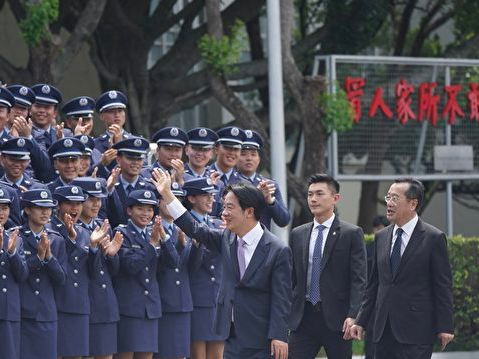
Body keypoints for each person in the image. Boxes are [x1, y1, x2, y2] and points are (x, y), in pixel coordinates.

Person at [151, 168, 292, 359]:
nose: (223, 213)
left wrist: (279, 335)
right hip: (231, 335)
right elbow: (195, 229)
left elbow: (281, 299)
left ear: (249, 211)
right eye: (224, 207)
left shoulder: (278, 250)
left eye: (230, 207)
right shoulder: (227, 238)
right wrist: (167, 195)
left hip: (263, 340)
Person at [349, 178, 455, 359]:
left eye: (395, 198)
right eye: (388, 197)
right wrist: (361, 320)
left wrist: (445, 326)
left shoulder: (433, 238)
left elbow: (442, 285)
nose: (389, 203)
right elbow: (374, 285)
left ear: (413, 203)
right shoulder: (381, 237)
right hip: (382, 330)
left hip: (416, 331)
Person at [288, 174, 367, 359]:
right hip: (303, 318)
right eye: (310, 194)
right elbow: (292, 278)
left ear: (335, 198)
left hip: (338, 320)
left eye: (319, 194)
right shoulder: (298, 234)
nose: (313, 199)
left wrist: (354, 314)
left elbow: (359, 280)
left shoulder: (351, 234)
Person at [72, 177, 123, 359]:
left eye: (99, 199)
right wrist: (93, 248)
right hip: (84, 302)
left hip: (104, 301)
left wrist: (111, 255)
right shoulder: (72, 230)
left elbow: (113, 271)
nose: (96, 204)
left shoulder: (103, 227)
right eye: (91, 199)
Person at [50, 185, 102, 359]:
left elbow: (93, 272)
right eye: (69, 204)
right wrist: (71, 239)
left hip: (79, 303)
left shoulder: (84, 233)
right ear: (58, 205)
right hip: (56, 303)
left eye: (79, 204)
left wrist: (94, 248)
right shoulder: (49, 230)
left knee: (76, 355)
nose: (75, 208)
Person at [113, 189, 164, 359]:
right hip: (130, 306)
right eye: (140, 208)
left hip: (150, 307)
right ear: (129, 210)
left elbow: (172, 263)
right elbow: (130, 266)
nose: (146, 213)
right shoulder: (122, 233)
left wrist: (164, 239)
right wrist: (152, 245)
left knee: (146, 355)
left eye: (150, 209)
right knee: (126, 354)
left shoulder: (154, 231)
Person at [19, 188, 67, 359]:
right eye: (40, 207)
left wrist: (49, 258)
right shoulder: (16, 237)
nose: (45, 212)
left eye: (48, 208)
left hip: (46, 312)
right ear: (27, 209)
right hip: (23, 311)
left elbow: (61, 279)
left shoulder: (57, 239)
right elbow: (19, 274)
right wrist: (38, 258)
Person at [182, 178, 225, 359]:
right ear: (191, 198)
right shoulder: (183, 224)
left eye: (212, 195)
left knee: (218, 354)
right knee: (198, 354)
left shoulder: (217, 224)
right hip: (197, 297)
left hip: (219, 297)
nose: (210, 200)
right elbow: (188, 264)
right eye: (205, 195)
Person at [155, 183, 194, 359]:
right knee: (165, 353)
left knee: (181, 354)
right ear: (158, 202)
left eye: (177, 200)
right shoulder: (153, 230)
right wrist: (174, 244)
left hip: (183, 301)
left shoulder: (186, 230)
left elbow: (192, 266)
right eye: (168, 199)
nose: (172, 204)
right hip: (163, 300)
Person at [236, 129, 290, 230]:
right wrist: (257, 195)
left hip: (262, 242)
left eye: (253, 154)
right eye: (243, 154)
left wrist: (270, 201)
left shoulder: (269, 185)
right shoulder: (229, 182)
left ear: (259, 159)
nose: (249, 158)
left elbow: (284, 220)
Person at [0, 188, 28, 359]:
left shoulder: (15, 239)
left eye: (4, 207)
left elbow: (22, 275)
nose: (1, 212)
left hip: (9, 310)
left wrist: (11, 253)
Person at [106, 136, 155, 228]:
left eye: (139, 159)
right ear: (118, 160)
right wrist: (109, 189)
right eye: (130, 158)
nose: (135, 163)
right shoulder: (109, 186)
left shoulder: (150, 188)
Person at [30, 83, 63, 151]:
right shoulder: (22, 133)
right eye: (38, 106)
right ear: (29, 109)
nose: (42, 110)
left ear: (55, 113)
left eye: (47, 107)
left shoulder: (63, 135)